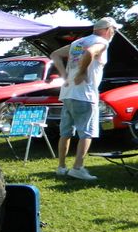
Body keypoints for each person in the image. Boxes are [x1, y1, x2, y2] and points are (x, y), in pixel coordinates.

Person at [50, 17, 120, 181]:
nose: (114, 33)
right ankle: (78, 168)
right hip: (85, 94)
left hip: (67, 93)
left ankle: (61, 167)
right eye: (114, 30)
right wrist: (82, 73)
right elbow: (89, 52)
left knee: (65, 133)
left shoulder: (78, 42)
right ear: (107, 29)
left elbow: (55, 54)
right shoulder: (102, 42)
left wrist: (65, 75)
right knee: (87, 133)